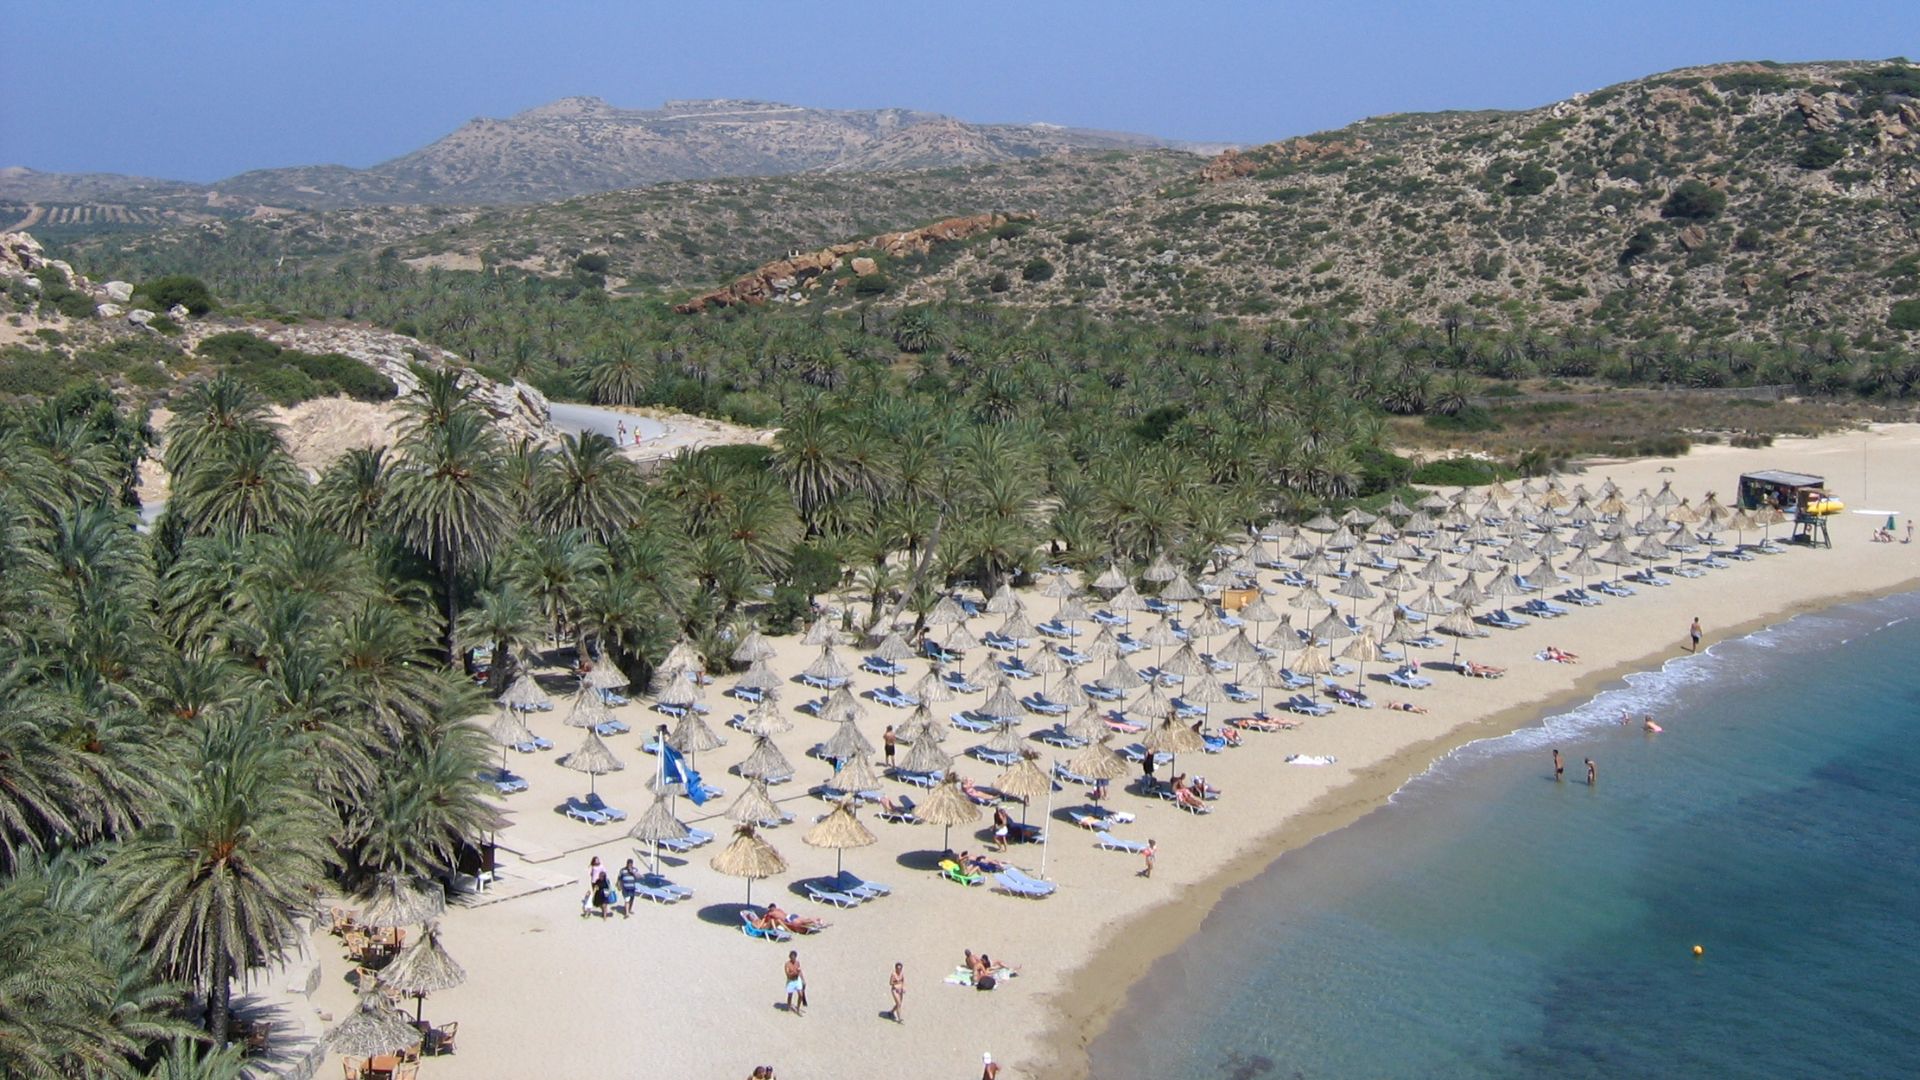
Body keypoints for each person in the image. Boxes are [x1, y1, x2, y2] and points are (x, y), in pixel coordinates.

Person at [784, 951, 807, 1016]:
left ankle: (798, 1009)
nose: (793, 959)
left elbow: (800, 972)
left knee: (800, 995)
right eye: (792, 957)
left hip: (797, 980)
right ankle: (789, 1007)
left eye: (794, 957)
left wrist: (803, 980)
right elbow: (788, 975)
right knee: (790, 995)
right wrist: (795, 973)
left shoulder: (797, 963)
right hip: (790, 981)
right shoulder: (787, 964)